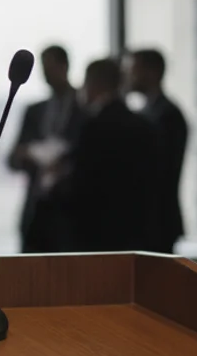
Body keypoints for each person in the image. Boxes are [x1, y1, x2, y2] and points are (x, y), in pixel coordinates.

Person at [65, 58, 159, 251]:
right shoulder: (143, 125)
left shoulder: (93, 126)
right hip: (135, 231)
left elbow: (83, 182)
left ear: (93, 83)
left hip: (96, 233)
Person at [8, 45, 86, 254]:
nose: (47, 75)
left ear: (65, 66)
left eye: (51, 68)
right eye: (43, 69)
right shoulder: (35, 110)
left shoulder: (84, 106)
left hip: (72, 210)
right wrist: (25, 155)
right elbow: (12, 159)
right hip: (38, 209)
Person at [128, 48, 189, 254]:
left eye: (133, 69)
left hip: (156, 222)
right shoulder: (151, 112)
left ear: (152, 72)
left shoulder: (168, 115)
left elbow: (161, 171)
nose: (128, 76)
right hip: (147, 222)